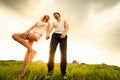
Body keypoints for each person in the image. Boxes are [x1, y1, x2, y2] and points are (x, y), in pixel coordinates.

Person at [12, 15, 50, 80]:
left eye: (47, 17)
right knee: (28, 52)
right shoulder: (38, 22)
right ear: (43, 17)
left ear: (48, 19)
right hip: (32, 33)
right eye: (45, 17)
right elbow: (32, 27)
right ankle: (22, 75)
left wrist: (47, 35)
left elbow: (47, 31)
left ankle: (33, 51)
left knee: (14, 35)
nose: (46, 18)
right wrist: (27, 32)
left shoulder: (48, 24)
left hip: (37, 35)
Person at [46, 12, 69, 80]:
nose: (55, 15)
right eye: (54, 15)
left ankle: (63, 74)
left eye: (56, 14)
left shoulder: (64, 20)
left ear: (59, 15)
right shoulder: (54, 23)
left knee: (63, 54)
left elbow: (67, 27)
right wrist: (47, 34)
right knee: (51, 53)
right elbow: (50, 29)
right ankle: (49, 73)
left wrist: (64, 33)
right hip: (55, 36)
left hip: (63, 36)